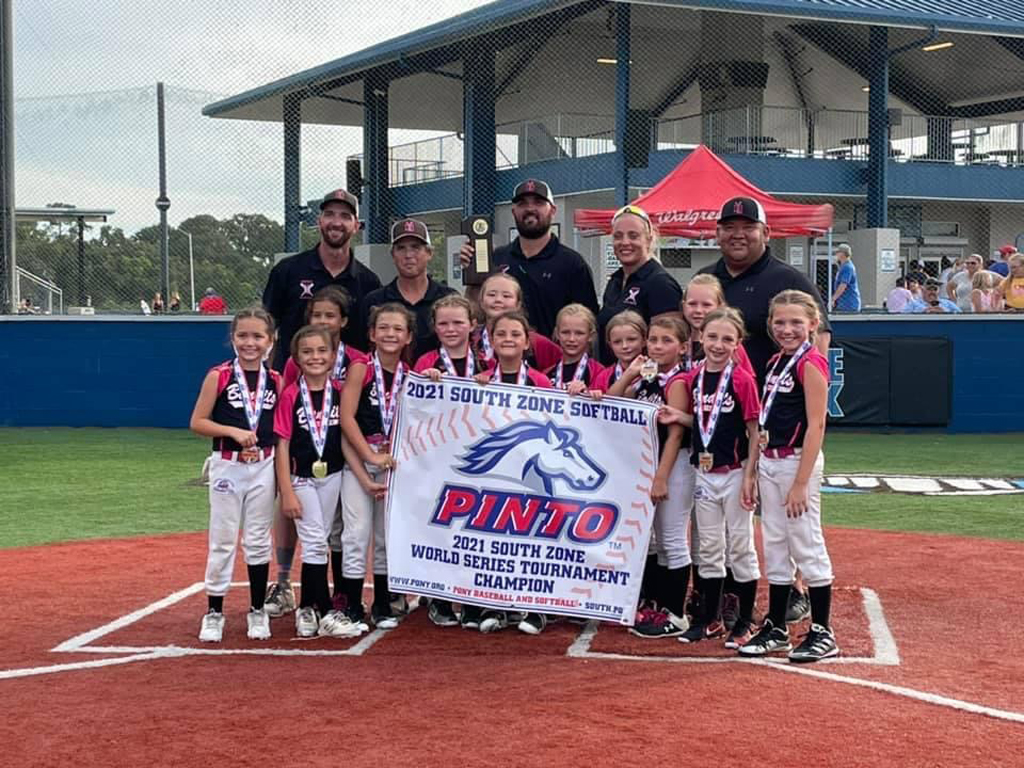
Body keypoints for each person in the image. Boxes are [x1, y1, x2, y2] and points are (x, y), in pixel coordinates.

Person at [739, 290, 838, 662]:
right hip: (771, 460)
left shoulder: (810, 362)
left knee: (806, 542)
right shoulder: (777, 361)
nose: (787, 329)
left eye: (796, 322)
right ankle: (777, 626)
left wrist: (800, 482)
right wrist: (754, 469)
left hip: (797, 462)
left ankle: (823, 631)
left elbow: (817, 425)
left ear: (813, 324)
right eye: (779, 322)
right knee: (776, 544)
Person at [266, 286, 368, 620]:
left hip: (335, 471)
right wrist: (285, 489)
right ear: (296, 357)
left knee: (327, 534)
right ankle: (315, 607)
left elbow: (345, 430)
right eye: (317, 315)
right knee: (314, 538)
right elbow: (283, 439)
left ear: (344, 321)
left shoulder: (345, 380)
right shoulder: (292, 392)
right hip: (301, 474)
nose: (315, 357)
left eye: (330, 315)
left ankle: (324, 603)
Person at [189, 307, 282, 643]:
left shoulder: (276, 380)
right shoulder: (220, 376)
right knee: (223, 538)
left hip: (264, 465)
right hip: (227, 464)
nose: (249, 343)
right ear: (232, 338)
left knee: (258, 540)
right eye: (242, 335)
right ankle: (214, 611)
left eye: (258, 336)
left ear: (271, 340)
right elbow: (198, 422)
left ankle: (257, 609)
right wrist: (232, 430)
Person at [670, 307, 762, 648]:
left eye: (727, 339)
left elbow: (754, 431)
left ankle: (744, 622)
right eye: (712, 337)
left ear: (738, 343)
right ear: (701, 338)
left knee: (740, 546)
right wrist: (676, 415)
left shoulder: (741, 380)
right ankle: (708, 619)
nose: (718, 345)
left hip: (735, 472)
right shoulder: (694, 377)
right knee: (709, 547)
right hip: (704, 473)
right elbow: (703, 422)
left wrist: (750, 475)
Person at [469, 310, 553, 634]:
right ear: (490, 341)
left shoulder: (540, 382)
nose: (508, 339)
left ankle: (535, 607)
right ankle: (496, 604)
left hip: (531, 475)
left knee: (531, 538)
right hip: (496, 475)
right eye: (501, 334)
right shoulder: (480, 380)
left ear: (527, 342)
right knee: (494, 539)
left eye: (515, 334)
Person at [609, 317, 693, 638]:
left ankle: (676, 613)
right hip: (649, 464)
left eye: (666, 341)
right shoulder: (649, 376)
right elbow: (614, 401)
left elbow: (675, 434)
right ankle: (659, 606)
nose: (658, 346)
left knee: (672, 538)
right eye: (653, 340)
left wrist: (661, 477)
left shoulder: (677, 381)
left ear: (682, 347)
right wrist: (629, 374)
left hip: (674, 465)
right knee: (655, 540)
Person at [697, 197, 831, 389]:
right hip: (711, 396)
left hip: (771, 398)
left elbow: (820, 337)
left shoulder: (789, 280)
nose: (738, 235)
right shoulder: (705, 279)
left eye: (749, 227)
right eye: (729, 228)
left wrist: (805, 392)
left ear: (766, 233)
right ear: (717, 234)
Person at [413, 294, 487, 629]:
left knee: (474, 530)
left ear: (473, 325)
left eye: (458, 322)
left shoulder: (486, 363)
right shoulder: (426, 363)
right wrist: (423, 385)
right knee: (440, 528)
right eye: (443, 323)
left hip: (476, 461)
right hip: (437, 460)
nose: (451, 329)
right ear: (434, 327)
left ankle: (472, 601)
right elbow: (413, 411)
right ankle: (439, 598)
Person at [339, 304, 413, 632]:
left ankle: (383, 602)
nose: (390, 334)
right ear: (371, 334)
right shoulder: (361, 368)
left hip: (392, 464)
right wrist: (369, 456)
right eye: (383, 328)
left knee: (385, 536)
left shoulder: (410, 375)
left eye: (398, 329)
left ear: (408, 336)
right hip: (359, 460)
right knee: (356, 533)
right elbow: (346, 418)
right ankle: (353, 603)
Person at [459, 178, 599, 338]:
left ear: (553, 210)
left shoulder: (572, 263)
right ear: (513, 211)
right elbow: (476, 312)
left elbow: (588, 322)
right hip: (503, 350)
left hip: (551, 352)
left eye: (538, 202)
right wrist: (472, 272)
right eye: (522, 203)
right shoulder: (497, 258)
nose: (530, 208)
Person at [263, 189, 382, 371]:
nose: (336, 222)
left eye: (345, 216)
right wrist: (271, 376)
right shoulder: (287, 270)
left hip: (348, 382)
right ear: (319, 221)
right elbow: (267, 328)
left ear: (356, 226)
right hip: (293, 380)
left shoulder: (368, 282)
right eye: (329, 214)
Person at [596, 204, 683, 364]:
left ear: (648, 239)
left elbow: (668, 348)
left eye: (633, 236)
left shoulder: (660, 284)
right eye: (618, 236)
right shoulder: (615, 281)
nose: (625, 242)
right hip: (612, 375)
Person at [361, 218, 455, 360]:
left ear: (429, 253)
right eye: (401, 248)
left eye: (415, 247)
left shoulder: (448, 298)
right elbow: (363, 350)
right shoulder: (375, 301)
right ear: (393, 255)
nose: (408, 255)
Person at [471, 272, 561, 372]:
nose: (498, 300)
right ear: (481, 301)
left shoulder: (537, 343)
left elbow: (563, 367)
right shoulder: (470, 339)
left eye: (506, 296)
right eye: (492, 295)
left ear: (518, 304)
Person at [547, 304, 604, 392]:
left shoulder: (600, 373)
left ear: (590, 336)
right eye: (565, 332)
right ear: (557, 333)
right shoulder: (546, 373)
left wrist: (586, 394)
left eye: (579, 333)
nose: (571, 339)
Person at [591, 310, 647, 392]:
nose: (625, 346)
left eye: (631, 339)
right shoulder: (603, 377)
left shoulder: (656, 371)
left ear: (644, 340)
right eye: (617, 342)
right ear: (610, 345)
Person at [831, 244, 861, 312]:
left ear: (843, 254)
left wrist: (833, 299)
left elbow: (843, 285)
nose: (836, 254)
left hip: (849, 304)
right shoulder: (843, 266)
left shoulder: (847, 267)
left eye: (838, 252)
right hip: (844, 303)